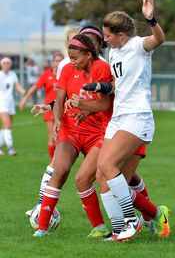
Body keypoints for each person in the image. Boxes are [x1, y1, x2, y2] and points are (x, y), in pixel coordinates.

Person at [94, 0, 170, 241]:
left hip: (137, 116)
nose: (104, 39)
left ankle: (130, 221)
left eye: (107, 35)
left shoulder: (138, 45)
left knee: (107, 166)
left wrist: (150, 19)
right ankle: (119, 229)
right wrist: (100, 87)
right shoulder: (113, 53)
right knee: (101, 176)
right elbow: (117, 86)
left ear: (121, 35)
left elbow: (159, 39)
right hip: (118, 117)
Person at [33, 34, 113, 237]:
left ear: (88, 53)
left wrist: (82, 104)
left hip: (98, 133)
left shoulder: (101, 68)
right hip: (71, 130)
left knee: (95, 179)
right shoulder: (68, 69)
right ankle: (41, 229)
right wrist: (58, 120)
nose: (72, 62)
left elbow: (105, 104)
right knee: (59, 171)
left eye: (75, 58)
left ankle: (138, 219)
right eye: (70, 57)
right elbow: (59, 101)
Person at [19, 52, 64, 159]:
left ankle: (58, 161)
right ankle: (53, 162)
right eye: (56, 60)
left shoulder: (65, 75)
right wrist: (25, 99)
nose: (58, 63)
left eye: (61, 61)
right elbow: (35, 87)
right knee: (53, 135)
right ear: (52, 62)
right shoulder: (46, 74)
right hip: (48, 108)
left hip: (63, 109)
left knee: (62, 136)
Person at [0, 57, 26, 156]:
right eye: (4, 63)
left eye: (8, 63)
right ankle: (11, 148)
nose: (6, 64)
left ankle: (0, 147)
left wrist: (26, 93)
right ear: (1, 64)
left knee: (6, 126)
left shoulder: (12, 74)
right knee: (7, 124)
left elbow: (18, 86)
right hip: (1, 102)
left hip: (10, 103)